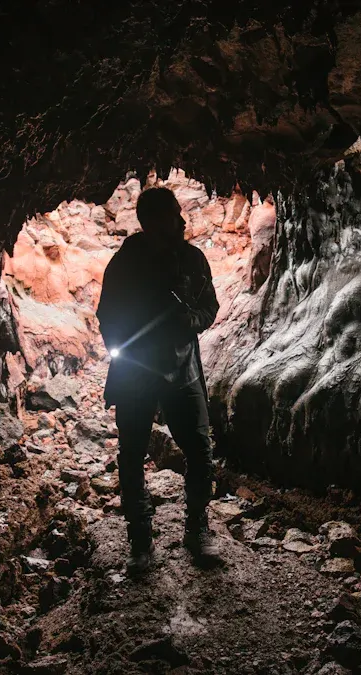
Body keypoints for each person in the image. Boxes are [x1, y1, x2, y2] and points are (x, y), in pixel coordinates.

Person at [95, 186, 221, 573]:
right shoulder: (126, 263)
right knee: (131, 455)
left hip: (182, 369)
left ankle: (197, 529)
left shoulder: (192, 259)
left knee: (200, 451)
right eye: (173, 215)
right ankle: (140, 541)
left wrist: (191, 322)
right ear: (151, 222)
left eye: (181, 214)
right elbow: (106, 316)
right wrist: (132, 347)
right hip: (136, 372)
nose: (182, 221)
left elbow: (209, 306)